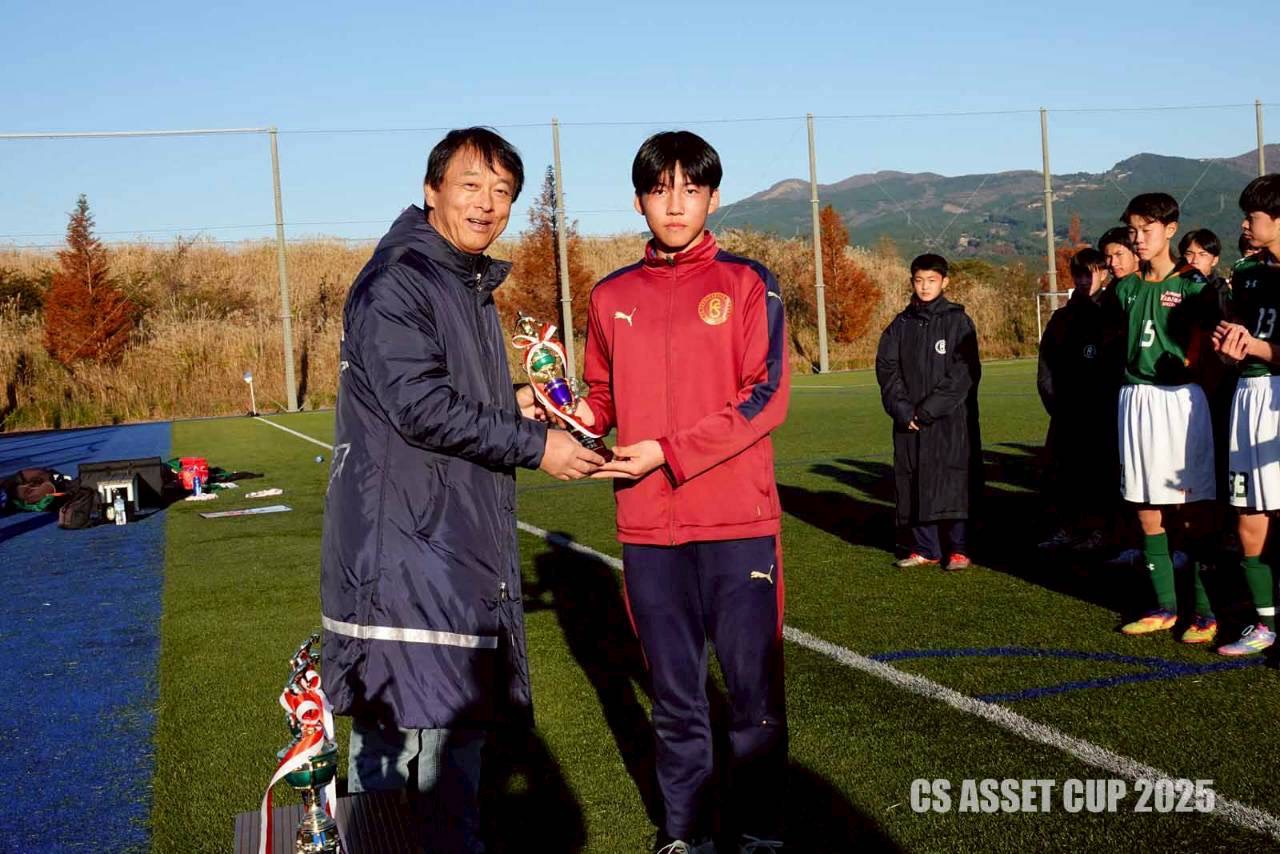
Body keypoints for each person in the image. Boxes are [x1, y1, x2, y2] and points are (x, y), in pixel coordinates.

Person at [319, 127, 603, 853]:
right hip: (408, 559)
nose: (487, 204)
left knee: (453, 756)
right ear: (431, 190)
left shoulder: (456, 280)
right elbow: (419, 407)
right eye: (471, 185)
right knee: (399, 767)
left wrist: (519, 404)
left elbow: (448, 397)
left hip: (447, 551)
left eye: (502, 191)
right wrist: (539, 447)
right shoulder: (400, 280)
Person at [577, 130, 790, 854]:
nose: (675, 204)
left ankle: (760, 834)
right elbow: (601, 397)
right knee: (674, 698)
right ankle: (686, 834)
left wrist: (668, 454)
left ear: (713, 198)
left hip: (737, 525)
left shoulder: (748, 283)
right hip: (648, 530)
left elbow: (766, 397)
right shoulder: (611, 295)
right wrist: (570, 416)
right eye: (660, 190)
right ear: (639, 200)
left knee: (753, 697)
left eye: (690, 189)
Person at [1111, 193, 1221, 641]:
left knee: (1191, 510)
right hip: (1135, 399)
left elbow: (1214, 344)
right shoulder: (1125, 288)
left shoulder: (1194, 285)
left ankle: (1206, 612)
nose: (1138, 239)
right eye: (1132, 231)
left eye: (1147, 230)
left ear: (1170, 230)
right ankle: (1164, 607)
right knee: (1145, 508)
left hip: (1179, 401)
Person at [876, 253, 982, 572]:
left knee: (953, 480)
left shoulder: (957, 321)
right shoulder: (900, 324)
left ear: (944, 282)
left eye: (931, 280)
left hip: (949, 421)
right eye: (919, 280)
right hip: (909, 422)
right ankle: (925, 548)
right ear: (912, 282)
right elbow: (887, 369)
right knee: (913, 480)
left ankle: (959, 549)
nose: (924, 287)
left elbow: (963, 372)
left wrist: (928, 410)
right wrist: (903, 410)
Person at [1210, 174, 1280, 655]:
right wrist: (1229, 350)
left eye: (1252, 216)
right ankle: (1264, 623)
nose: (1244, 224)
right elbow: (1237, 339)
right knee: (1248, 511)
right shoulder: (1248, 272)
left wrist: (1256, 347)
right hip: (1248, 394)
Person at [1035, 248, 1125, 552]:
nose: (1085, 280)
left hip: (1103, 412)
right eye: (1079, 275)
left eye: (1091, 273)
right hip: (1067, 413)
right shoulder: (1062, 318)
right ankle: (1067, 527)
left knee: (1101, 474)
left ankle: (1100, 530)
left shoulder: (1113, 315)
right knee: (1064, 474)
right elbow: (1046, 368)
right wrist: (1057, 406)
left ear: (1104, 273)